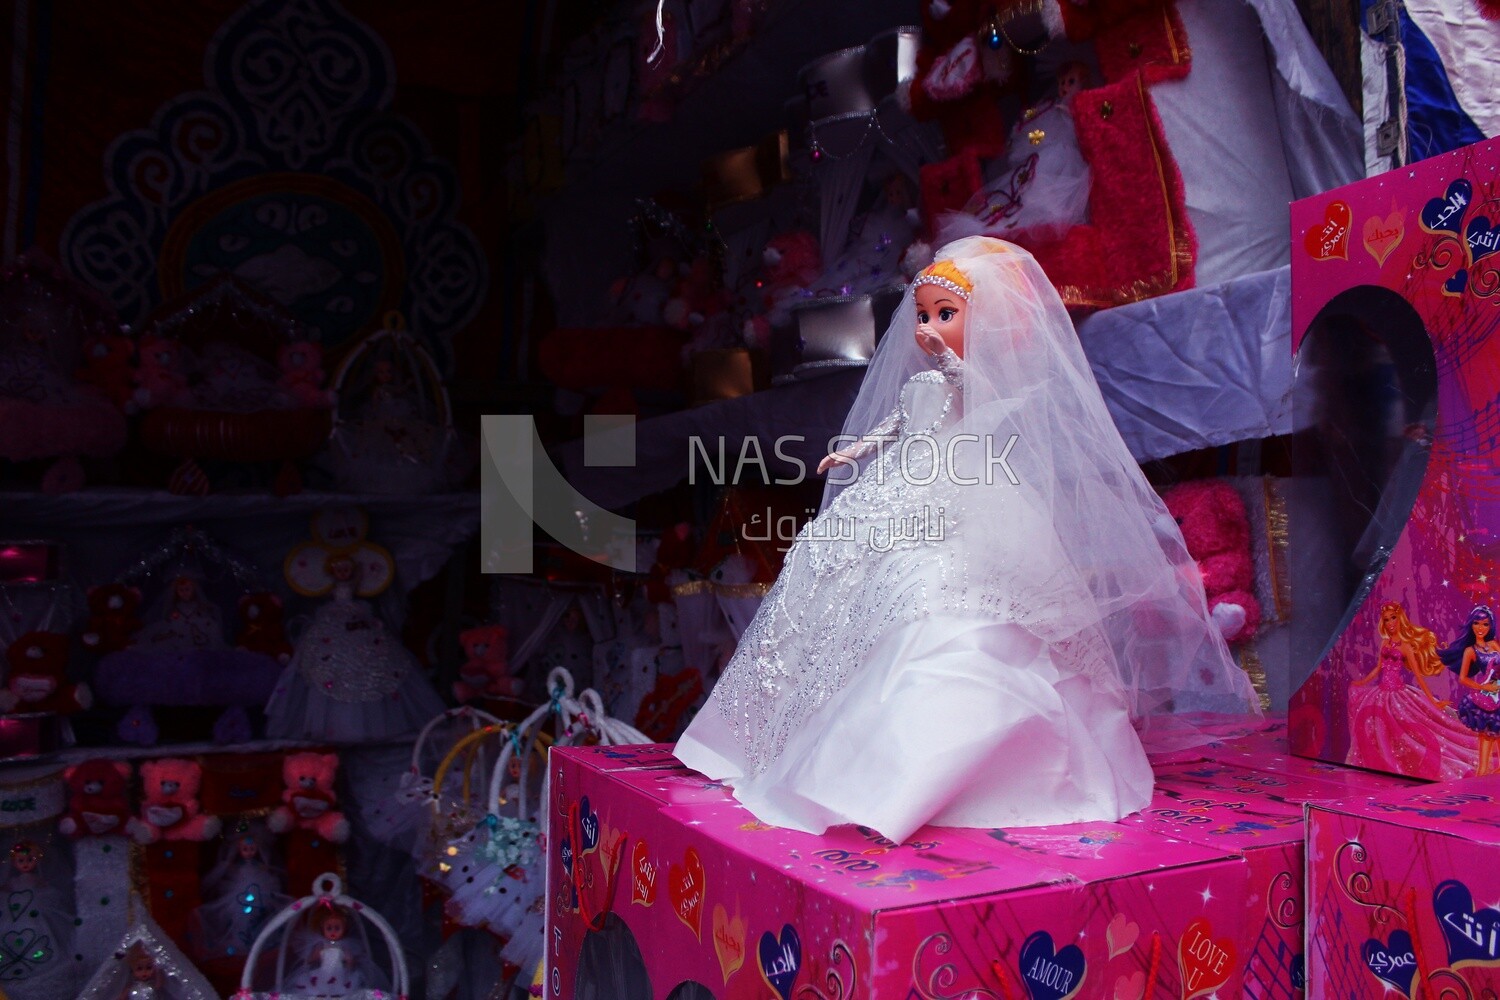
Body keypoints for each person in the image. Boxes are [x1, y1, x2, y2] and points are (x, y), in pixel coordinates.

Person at [674, 237, 1257, 840]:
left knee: (955, 597)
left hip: (966, 489)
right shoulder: (920, 385)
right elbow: (897, 427)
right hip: (902, 487)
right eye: (922, 316)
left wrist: (969, 368)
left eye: (944, 315)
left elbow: (987, 414)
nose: (928, 329)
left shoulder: (974, 380)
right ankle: (839, 745)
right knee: (854, 589)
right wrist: (852, 451)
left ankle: (962, 755)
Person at [1346, 602, 1476, 779]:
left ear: (1399, 619)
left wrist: (1433, 700)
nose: (1391, 622)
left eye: (1393, 618)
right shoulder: (1385, 642)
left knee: (1409, 731)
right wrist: (1362, 682)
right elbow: (1378, 668)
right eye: (1387, 620)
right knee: (1377, 730)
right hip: (1381, 694)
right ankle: (1383, 767)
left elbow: (1419, 677)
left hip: (1399, 695)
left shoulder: (1406, 647)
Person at [1442, 605, 1500, 775]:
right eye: (1477, 623)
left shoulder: (1494, 644)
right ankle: (1481, 777)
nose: (1480, 628)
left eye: (1485, 624)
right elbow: (1463, 678)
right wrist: (1484, 686)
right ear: (1471, 625)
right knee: (1487, 736)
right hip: (1488, 697)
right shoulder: (1470, 651)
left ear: (1490, 626)